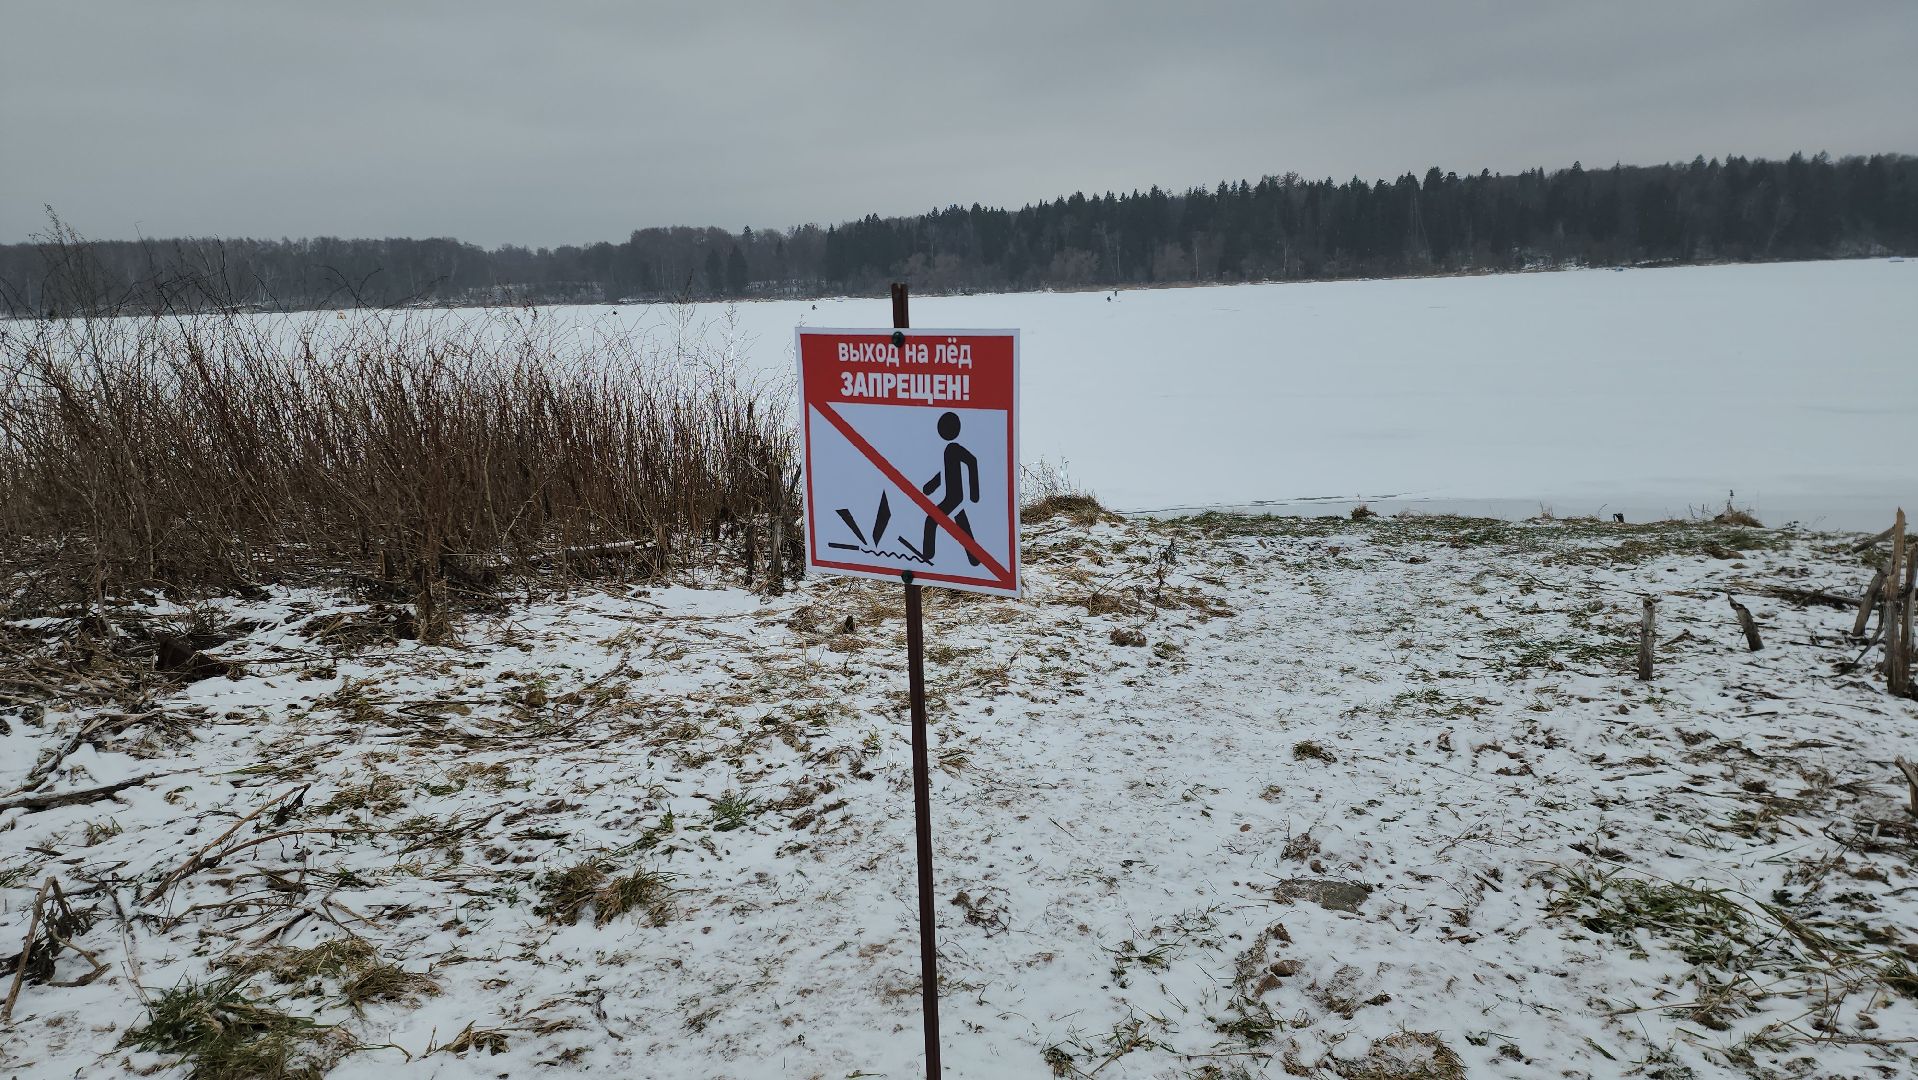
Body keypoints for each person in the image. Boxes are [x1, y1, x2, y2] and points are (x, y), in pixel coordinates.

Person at [918, 411, 979, 565]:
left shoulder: (954, 448)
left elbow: (972, 461)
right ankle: (974, 558)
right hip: (953, 497)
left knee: (931, 521)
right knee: (962, 525)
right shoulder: (948, 450)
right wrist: (930, 486)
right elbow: (946, 473)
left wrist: (974, 493)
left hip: (955, 497)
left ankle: (927, 557)